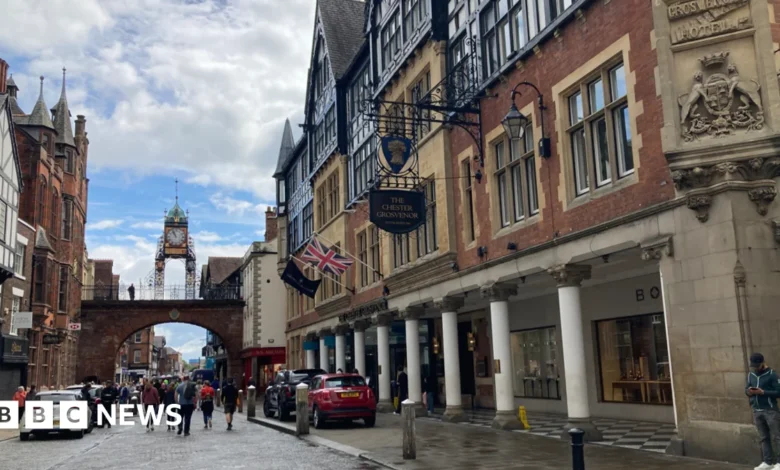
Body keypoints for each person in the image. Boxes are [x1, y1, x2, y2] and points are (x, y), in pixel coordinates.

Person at [746, 352, 780, 470]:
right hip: (757, 410)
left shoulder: (772, 375)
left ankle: (779, 462)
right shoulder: (751, 375)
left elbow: (778, 392)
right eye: (754, 365)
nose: (755, 368)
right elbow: (746, 389)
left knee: (777, 436)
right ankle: (767, 461)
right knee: (764, 437)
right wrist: (749, 392)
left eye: (757, 365)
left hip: (770, 410)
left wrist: (763, 392)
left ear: (762, 363)